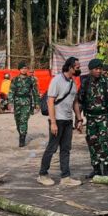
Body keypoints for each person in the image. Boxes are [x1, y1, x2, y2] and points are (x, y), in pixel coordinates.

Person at [38, 57, 83, 187]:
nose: (79, 69)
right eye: (77, 67)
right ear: (70, 67)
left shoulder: (73, 82)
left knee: (66, 149)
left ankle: (65, 177)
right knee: (52, 148)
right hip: (57, 120)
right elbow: (50, 101)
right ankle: (43, 174)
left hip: (68, 121)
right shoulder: (56, 81)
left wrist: (78, 119)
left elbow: (75, 102)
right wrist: (53, 122)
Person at [78, 59, 108, 178]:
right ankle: (96, 169)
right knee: (92, 143)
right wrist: (78, 120)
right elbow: (79, 101)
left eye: (100, 69)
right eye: (96, 69)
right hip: (91, 119)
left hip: (104, 118)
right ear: (90, 70)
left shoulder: (107, 82)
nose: (98, 71)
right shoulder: (85, 83)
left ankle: (106, 170)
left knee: (104, 144)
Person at [8, 62, 39, 147]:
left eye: (25, 68)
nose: (24, 70)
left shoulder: (31, 80)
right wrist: (10, 103)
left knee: (24, 120)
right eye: (22, 68)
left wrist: (37, 103)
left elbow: (35, 92)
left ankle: (22, 138)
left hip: (26, 102)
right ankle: (20, 132)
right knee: (17, 120)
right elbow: (11, 92)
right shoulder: (15, 80)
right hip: (17, 102)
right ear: (19, 69)